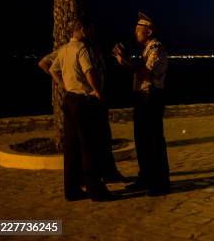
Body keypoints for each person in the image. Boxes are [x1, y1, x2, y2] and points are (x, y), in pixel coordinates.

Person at [39, 36, 126, 184]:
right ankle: (94, 179)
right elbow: (44, 63)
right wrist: (66, 84)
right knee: (90, 141)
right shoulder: (72, 49)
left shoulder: (92, 49)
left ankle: (109, 173)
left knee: (104, 137)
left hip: (97, 98)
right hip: (88, 98)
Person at [49, 18, 117, 201]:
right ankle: (96, 191)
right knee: (89, 146)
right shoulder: (82, 48)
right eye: (89, 28)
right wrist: (97, 91)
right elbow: (89, 71)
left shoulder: (63, 50)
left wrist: (64, 86)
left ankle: (71, 190)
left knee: (71, 148)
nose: (91, 31)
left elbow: (52, 70)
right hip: (82, 101)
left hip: (69, 100)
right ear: (82, 29)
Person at [113, 12, 170, 196]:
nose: (135, 32)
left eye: (139, 29)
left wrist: (125, 63)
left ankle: (160, 182)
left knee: (153, 140)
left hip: (151, 98)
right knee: (142, 140)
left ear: (149, 31)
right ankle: (145, 177)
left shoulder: (157, 48)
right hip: (142, 98)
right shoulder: (147, 49)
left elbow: (147, 73)